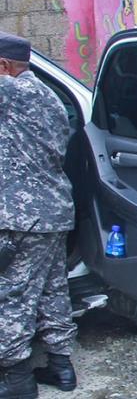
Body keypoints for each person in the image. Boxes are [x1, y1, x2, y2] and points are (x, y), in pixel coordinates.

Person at [0, 31, 79, 397]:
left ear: (3, 66)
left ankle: (16, 380)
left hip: (23, 217)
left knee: (12, 296)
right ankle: (62, 369)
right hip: (54, 210)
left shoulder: (10, 92)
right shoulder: (50, 96)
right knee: (52, 290)